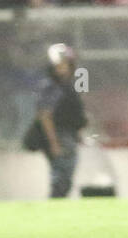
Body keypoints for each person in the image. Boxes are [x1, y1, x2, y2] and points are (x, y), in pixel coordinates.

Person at [23, 43, 88, 198]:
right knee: (61, 175)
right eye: (61, 64)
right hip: (59, 135)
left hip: (68, 134)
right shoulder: (50, 86)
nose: (64, 68)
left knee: (66, 175)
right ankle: (55, 203)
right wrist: (54, 143)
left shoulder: (67, 85)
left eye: (67, 64)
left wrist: (77, 133)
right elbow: (45, 115)